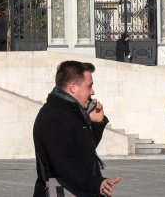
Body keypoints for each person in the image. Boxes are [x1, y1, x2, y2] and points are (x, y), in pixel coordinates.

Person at [33, 60, 122, 197]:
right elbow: (64, 164)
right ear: (73, 88)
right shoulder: (55, 116)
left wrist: (96, 124)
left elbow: (83, 152)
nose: (92, 92)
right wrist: (96, 183)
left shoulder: (72, 112)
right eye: (89, 86)